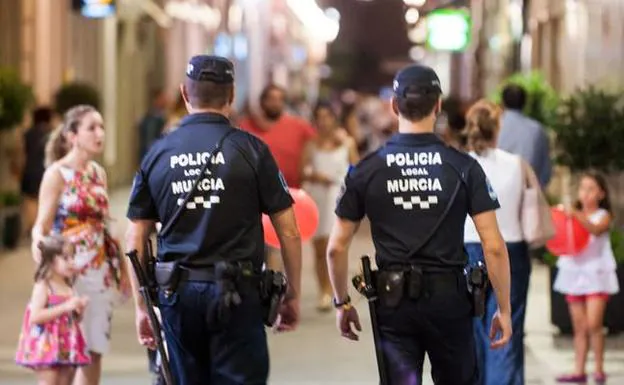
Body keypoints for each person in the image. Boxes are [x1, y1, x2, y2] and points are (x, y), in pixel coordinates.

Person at [326, 64, 513, 384]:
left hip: (392, 302)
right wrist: (505, 309)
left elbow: (335, 247)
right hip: (449, 300)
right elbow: (493, 245)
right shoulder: (463, 167)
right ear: (438, 105)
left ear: (395, 106)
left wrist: (342, 302)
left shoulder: (367, 169)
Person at [125, 55, 302, 385]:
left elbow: (135, 240)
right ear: (231, 95)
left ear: (184, 93)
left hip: (177, 294)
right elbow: (289, 230)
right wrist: (292, 293)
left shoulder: (159, 152)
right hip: (237, 292)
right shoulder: (251, 150)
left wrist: (141, 306)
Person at [32, 104, 129, 385]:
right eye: (91, 128)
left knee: (93, 350)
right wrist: (41, 254)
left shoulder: (98, 172)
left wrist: (121, 267)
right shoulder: (56, 174)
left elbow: (106, 223)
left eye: (101, 127)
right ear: (72, 136)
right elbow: (41, 224)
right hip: (68, 273)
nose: (100, 134)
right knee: (65, 352)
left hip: (98, 272)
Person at [462, 100, 530, 385]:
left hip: (467, 248)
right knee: (506, 325)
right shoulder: (518, 164)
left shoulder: (460, 165)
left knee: (471, 328)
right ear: (497, 127)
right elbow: (534, 200)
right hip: (511, 248)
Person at [554, 172, 620, 384]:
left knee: (594, 324)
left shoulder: (603, 215)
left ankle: (599, 369)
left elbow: (596, 230)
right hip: (574, 274)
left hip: (597, 274)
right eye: (583, 188)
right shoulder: (572, 215)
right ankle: (579, 370)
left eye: (591, 189)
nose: (585, 193)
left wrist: (576, 215)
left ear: (601, 194)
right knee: (579, 327)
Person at [301, 102, 359, 311]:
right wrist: (315, 175)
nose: (324, 121)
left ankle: (337, 289)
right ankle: (323, 290)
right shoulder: (310, 144)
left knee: (335, 246)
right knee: (319, 247)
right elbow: (304, 170)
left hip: (338, 197)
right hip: (317, 196)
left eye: (328, 116)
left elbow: (356, 170)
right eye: (320, 116)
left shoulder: (347, 142)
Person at [15, 234, 91, 385]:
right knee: (49, 381)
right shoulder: (44, 285)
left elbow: (73, 318)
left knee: (65, 381)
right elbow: (35, 316)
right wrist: (65, 307)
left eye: (72, 257)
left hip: (66, 343)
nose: (71, 262)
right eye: (65, 258)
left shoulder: (68, 285)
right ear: (50, 260)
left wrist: (79, 310)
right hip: (47, 343)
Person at [497, 84, 552, 189]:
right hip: (528, 194)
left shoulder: (494, 127)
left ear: (502, 102)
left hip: (498, 196)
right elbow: (546, 173)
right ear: (525, 104)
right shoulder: (537, 130)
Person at [21, 107, 54, 236]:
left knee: (31, 199)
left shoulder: (28, 133)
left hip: (30, 170)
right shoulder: (52, 133)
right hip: (47, 171)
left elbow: (22, 153)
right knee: (46, 200)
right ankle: (43, 227)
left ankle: (32, 226)